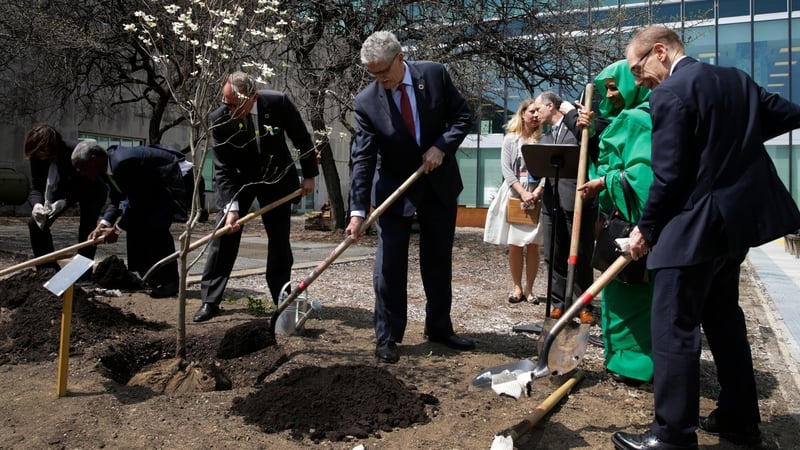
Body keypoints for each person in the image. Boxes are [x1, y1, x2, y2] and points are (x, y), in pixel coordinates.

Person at [612, 26, 800, 450]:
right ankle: (738, 420)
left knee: (673, 327)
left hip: (692, 229)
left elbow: (669, 177)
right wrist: (728, 145)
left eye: (638, 69)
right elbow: (788, 113)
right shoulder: (737, 80)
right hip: (734, 230)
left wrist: (646, 230)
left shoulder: (669, 94)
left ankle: (672, 436)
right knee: (724, 322)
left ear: (660, 51)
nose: (639, 80)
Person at [345, 31, 474, 364]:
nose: (379, 79)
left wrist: (441, 147)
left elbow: (462, 116)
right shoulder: (366, 102)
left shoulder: (433, 74)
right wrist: (357, 211)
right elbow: (362, 159)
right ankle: (387, 335)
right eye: (372, 74)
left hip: (437, 184)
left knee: (437, 260)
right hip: (393, 190)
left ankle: (439, 327)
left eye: (383, 71)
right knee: (388, 266)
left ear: (400, 58)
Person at [192, 71, 318, 323]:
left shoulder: (278, 103)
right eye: (225, 102)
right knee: (224, 235)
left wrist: (309, 176)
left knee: (279, 240)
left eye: (233, 104)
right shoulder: (219, 118)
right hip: (239, 180)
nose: (228, 109)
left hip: (276, 178)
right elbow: (223, 167)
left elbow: (302, 138)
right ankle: (210, 299)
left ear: (252, 98)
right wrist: (231, 207)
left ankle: (281, 299)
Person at [577, 60, 653, 387]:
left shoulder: (639, 120)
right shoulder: (631, 117)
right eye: (606, 87)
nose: (610, 93)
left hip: (633, 227)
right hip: (622, 222)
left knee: (631, 297)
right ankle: (621, 357)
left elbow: (641, 178)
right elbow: (611, 156)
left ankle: (634, 365)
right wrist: (593, 133)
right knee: (620, 295)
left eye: (615, 86)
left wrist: (602, 184)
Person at [71, 141, 190, 298]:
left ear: (94, 159)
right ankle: (151, 277)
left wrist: (117, 230)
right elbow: (117, 198)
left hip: (174, 177)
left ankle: (170, 283)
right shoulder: (105, 169)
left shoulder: (122, 163)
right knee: (136, 227)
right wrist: (103, 224)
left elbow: (139, 202)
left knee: (156, 228)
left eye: (83, 167)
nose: (82, 173)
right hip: (152, 190)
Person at [532, 91, 596, 324]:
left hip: (578, 201)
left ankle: (583, 305)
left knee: (580, 253)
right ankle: (559, 302)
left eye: (538, 109)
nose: (535, 113)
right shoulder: (546, 138)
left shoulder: (577, 130)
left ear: (551, 106)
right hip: (552, 203)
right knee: (553, 253)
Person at [23, 124, 107, 274]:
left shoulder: (75, 151)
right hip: (62, 190)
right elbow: (36, 186)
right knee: (35, 224)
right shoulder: (37, 157)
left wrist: (65, 201)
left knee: (87, 231)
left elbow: (85, 183)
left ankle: (82, 274)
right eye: (35, 153)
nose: (38, 156)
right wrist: (36, 205)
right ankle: (47, 270)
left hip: (91, 188)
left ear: (51, 145)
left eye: (40, 151)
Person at [483, 98, 543, 304]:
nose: (535, 115)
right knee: (515, 243)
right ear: (523, 114)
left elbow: (549, 170)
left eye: (538, 111)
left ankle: (530, 289)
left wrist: (537, 191)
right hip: (514, 194)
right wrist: (522, 193)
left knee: (534, 244)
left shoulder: (544, 139)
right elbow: (507, 171)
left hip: (537, 196)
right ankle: (517, 287)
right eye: (532, 111)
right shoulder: (510, 140)